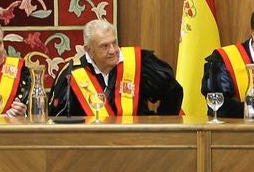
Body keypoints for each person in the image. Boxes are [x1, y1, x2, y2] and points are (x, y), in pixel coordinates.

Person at [48, 19, 183, 117]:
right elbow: (57, 118)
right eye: (104, 46)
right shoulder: (72, 74)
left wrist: (157, 125)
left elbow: (173, 91)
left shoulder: (139, 63)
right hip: (90, 150)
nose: (113, 50)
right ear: (88, 50)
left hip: (137, 146)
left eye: (114, 43)